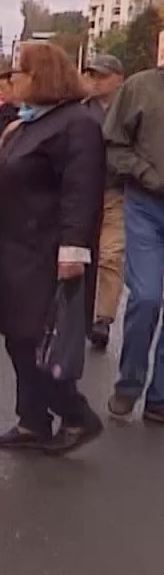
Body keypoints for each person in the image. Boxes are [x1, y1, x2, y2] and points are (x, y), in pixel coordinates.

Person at [0, 42, 107, 453]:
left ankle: (76, 415)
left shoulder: (77, 124)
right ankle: (32, 420)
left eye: (18, 73)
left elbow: (81, 190)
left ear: (40, 77)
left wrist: (73, 247)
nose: (12, 80)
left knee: (38, 340)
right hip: (14, 248)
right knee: (17, 336)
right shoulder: (29, 123)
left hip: (46, 250)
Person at [103, 59, 164, 424]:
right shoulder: (140, 87)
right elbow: (113, 146)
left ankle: (160, 397)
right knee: (146, 297)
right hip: (147, 205)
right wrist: (145, 173)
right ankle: (129, 384)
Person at [83, 53, 126, 350]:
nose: (96, 81)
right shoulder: (81, 111)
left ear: (118, 78)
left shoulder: (130, 110)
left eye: (102, 76)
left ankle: (102, 317)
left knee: (110, 255)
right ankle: (74, 311)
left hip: (115, 192)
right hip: (84, 192)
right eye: (92, 75)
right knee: (80, 254)